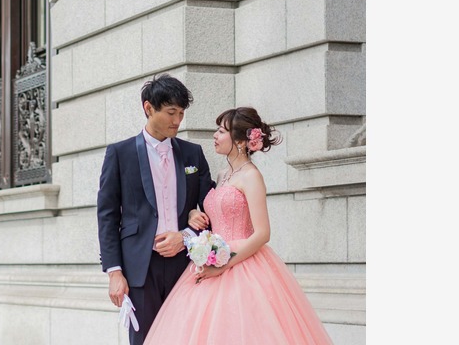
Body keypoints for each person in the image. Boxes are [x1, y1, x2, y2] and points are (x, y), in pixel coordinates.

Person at [143, 107, 334, 345]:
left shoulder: (251, 176)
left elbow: (263, 233)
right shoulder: (223, 174)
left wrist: (224, 264)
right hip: (211, 261)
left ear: (241, 141)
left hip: (243, 263)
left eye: (221, 131)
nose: (215, 135)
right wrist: (194, 212)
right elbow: (215, 214)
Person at [97, 74, 215, 345]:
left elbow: (212, 209)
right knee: (145, 340)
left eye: (182, 113)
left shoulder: (192, 154)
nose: (177, 121)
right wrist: (114, 272)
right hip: (140, 269)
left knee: (186, 338)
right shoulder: (120, 153)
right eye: (171, 112)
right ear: (148, 108)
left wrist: (185, 236)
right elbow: (107, 216)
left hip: (186, 264)